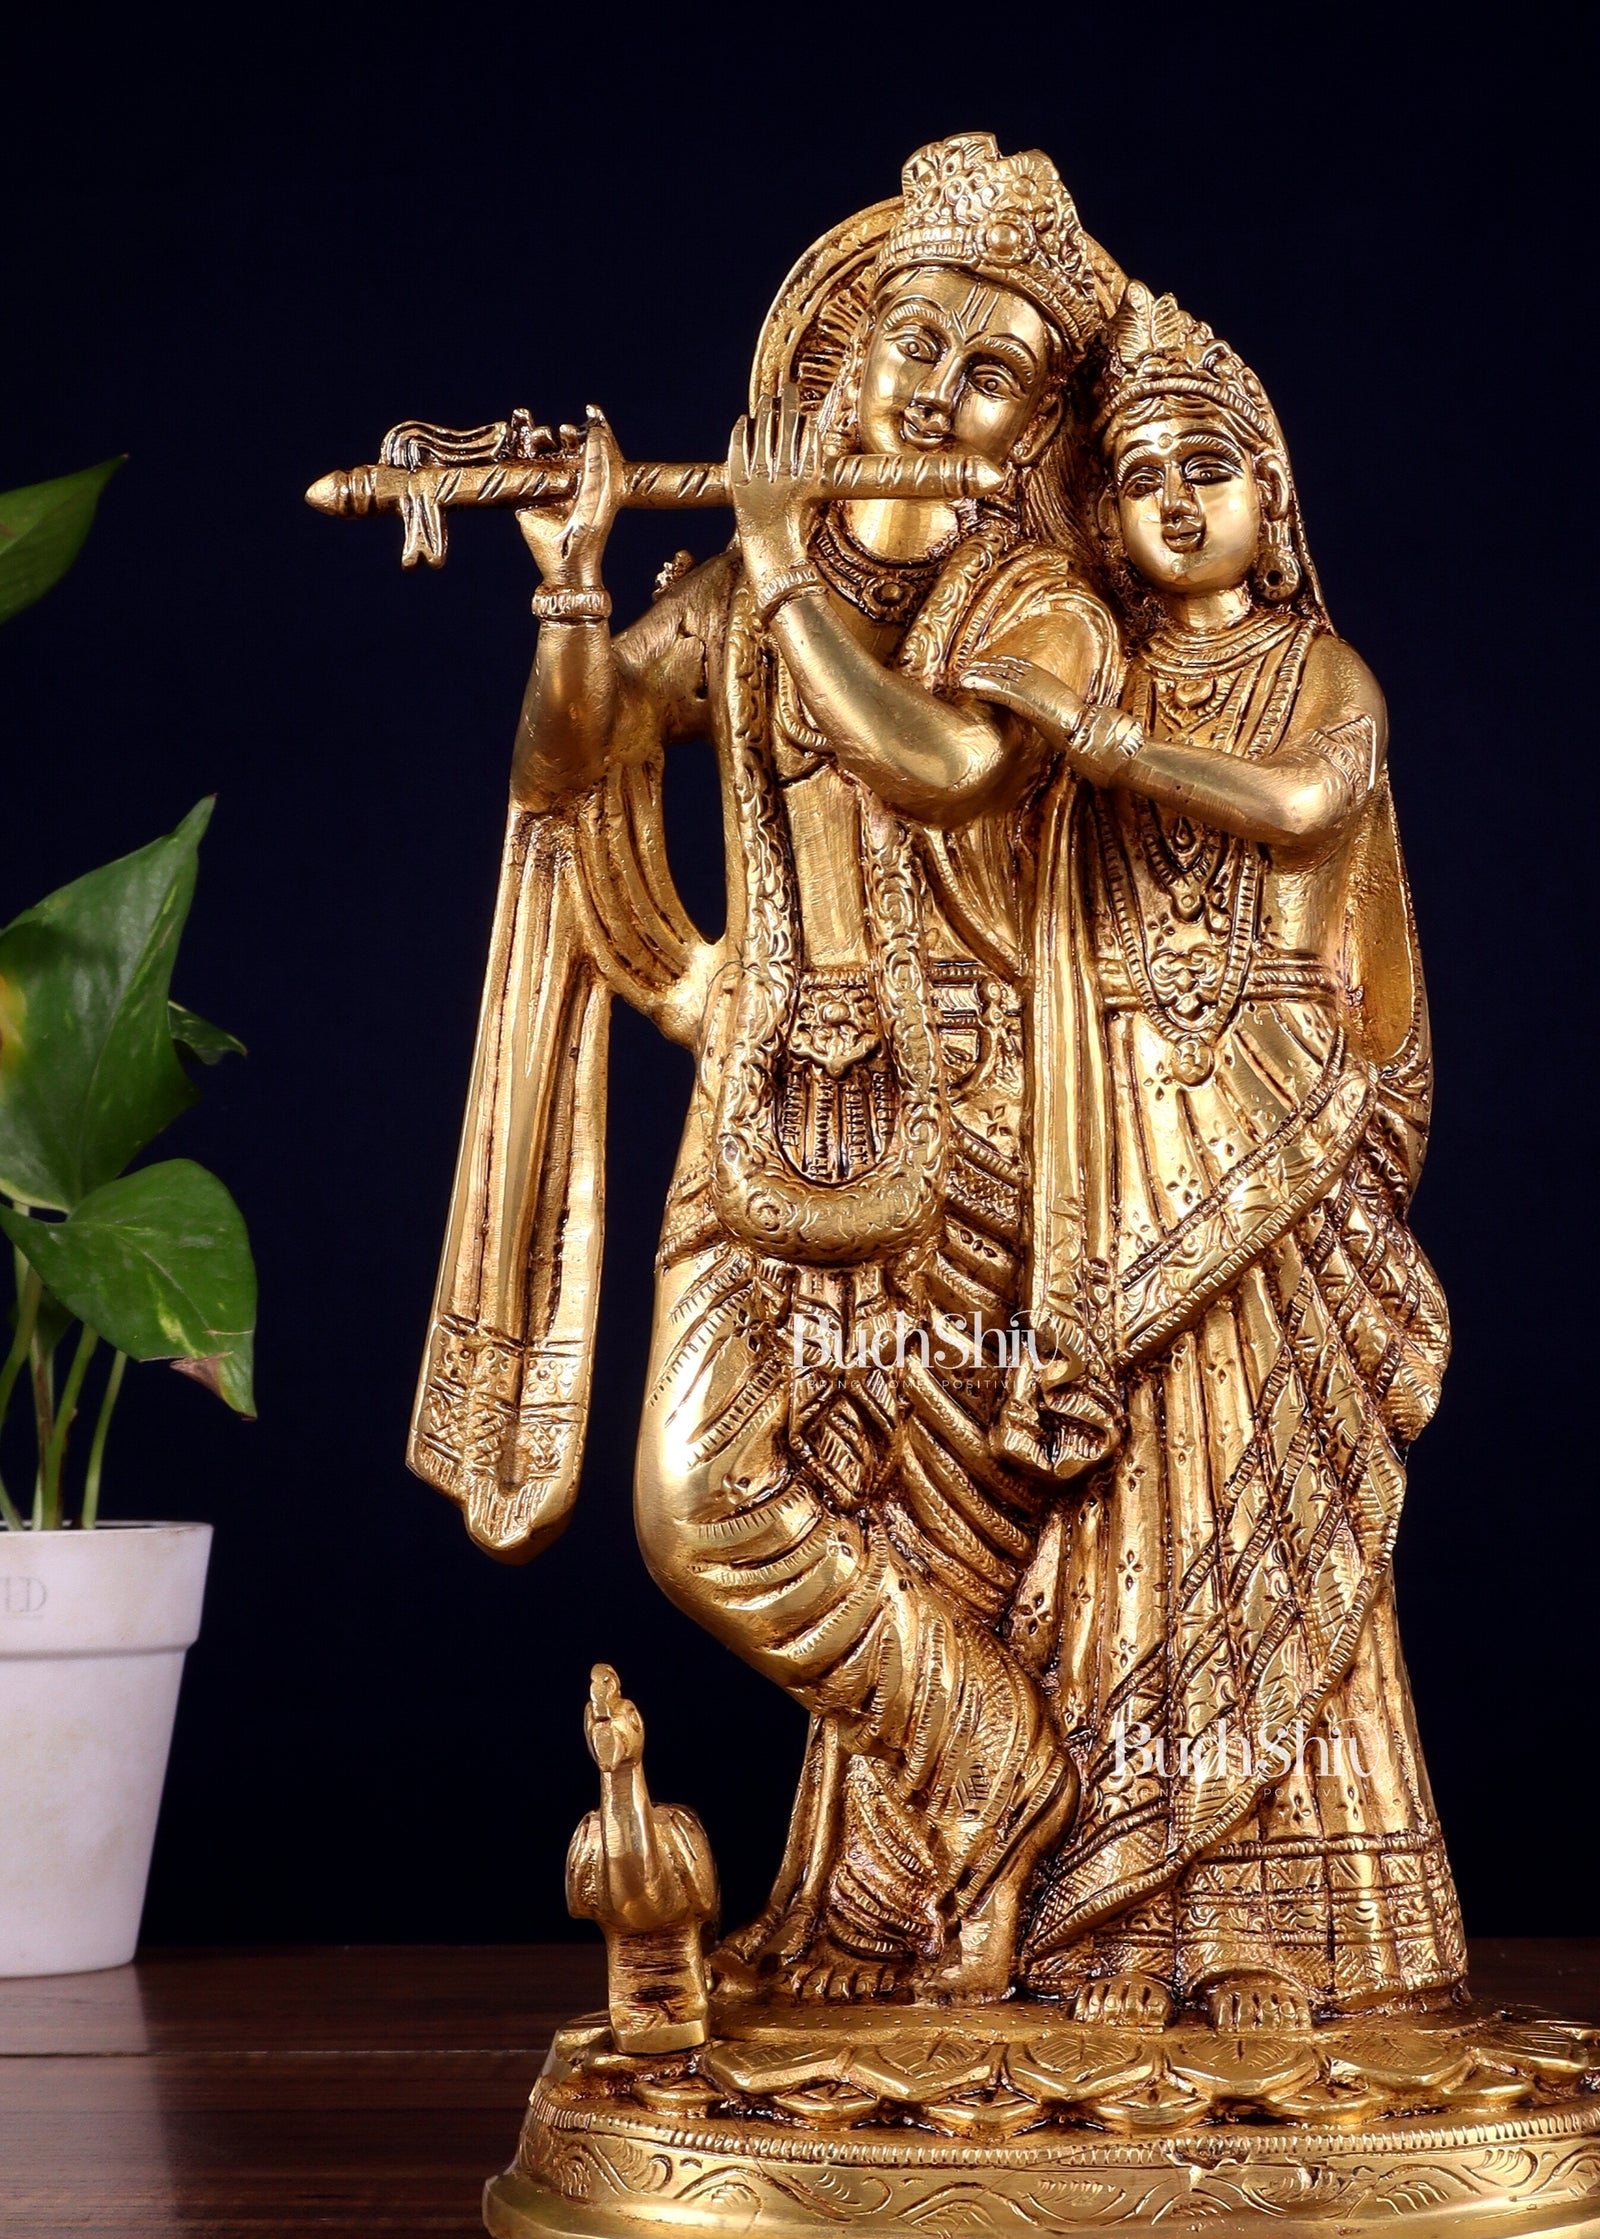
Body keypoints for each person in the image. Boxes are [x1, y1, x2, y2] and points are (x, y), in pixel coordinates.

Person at [410, 136, 1123, 2002]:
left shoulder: (1037, 607)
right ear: (843, 358)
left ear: (1033, 425)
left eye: (993, 374)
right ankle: (990, 1762)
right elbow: (571, 762)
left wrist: (787, 564)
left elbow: (944, 769)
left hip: (986, 1139)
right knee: (699, 1509)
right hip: (764, 1116)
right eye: (917, 344)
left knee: (959, 1530)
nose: (940, 392)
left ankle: (952, 1885)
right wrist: (573, 589)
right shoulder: (734, 597)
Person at [962, 286, 1465, 2029]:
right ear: (1101, 516)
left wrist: (1100, 746)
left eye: (1206, 468)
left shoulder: (1319, 672)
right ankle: (1122, 1905)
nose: (1174, 503)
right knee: (1139, 1511)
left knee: (1283, 1490)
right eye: (1137, 477)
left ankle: (1290, 1918)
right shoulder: (1090, 659)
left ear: (1271, 492)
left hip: (1283, 1118)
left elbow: (1307, 804)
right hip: (1122, 1136)